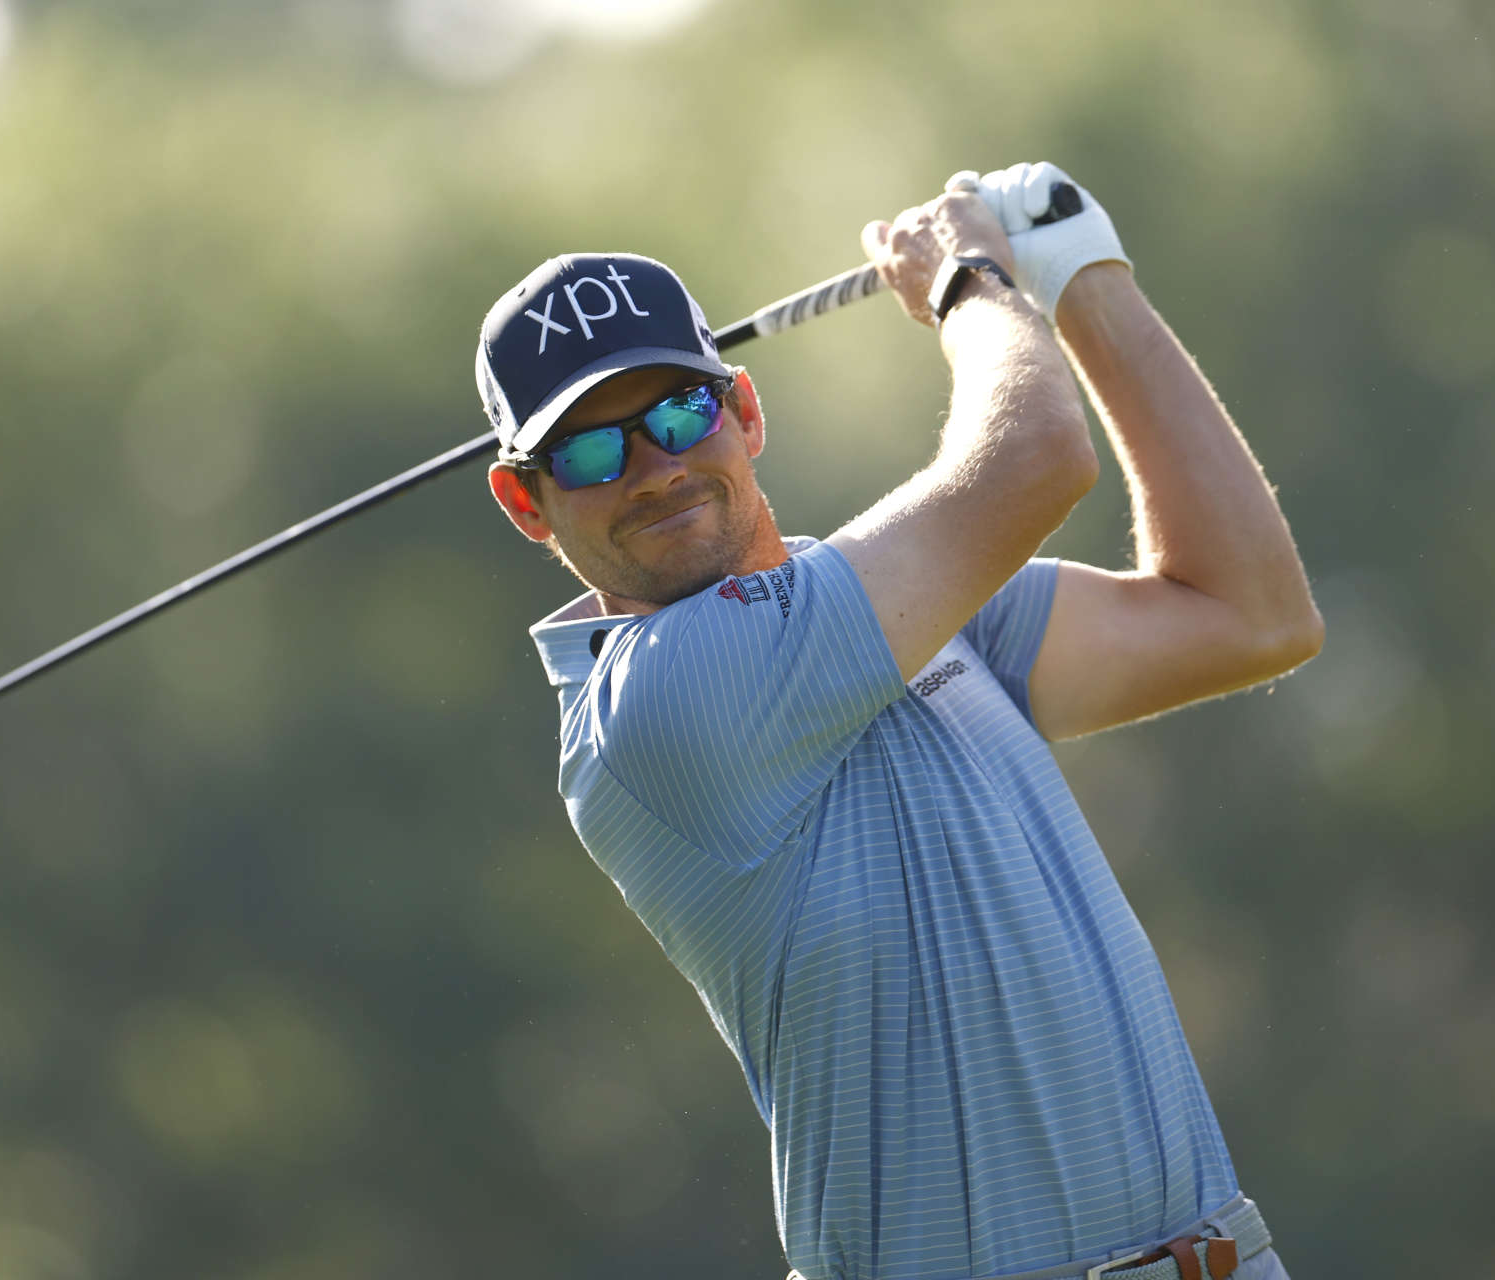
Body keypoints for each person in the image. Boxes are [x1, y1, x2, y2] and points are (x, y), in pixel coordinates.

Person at [474, 161, 1322, 1280]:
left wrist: (1086, 278)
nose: (654, 467)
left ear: (745, 410)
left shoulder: (920, 613)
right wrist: (970, 282)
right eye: (589, 449)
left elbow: (1248, 614)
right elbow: (1033, 457)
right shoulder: (656, 705)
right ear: (526, 500)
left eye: (679, 412)